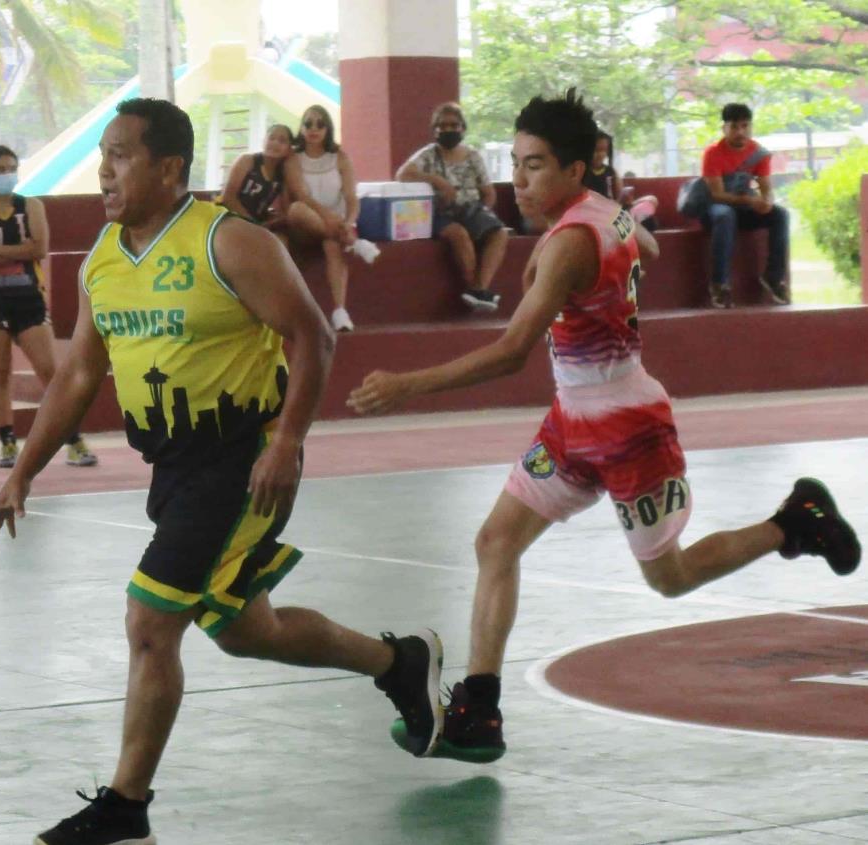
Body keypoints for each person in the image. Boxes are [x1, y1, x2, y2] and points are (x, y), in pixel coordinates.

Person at [0, 97, 444, 845]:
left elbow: (311, 335)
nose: (104, 169)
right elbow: (75, 376)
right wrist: (22, 470)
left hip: (241, 461)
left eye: (121, 154)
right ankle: (398, 662)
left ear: (168, 168)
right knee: (243, 628)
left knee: (151, 619)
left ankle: (125, 810)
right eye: (103, 153)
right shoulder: (101, 259)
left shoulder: (229, 242)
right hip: (173, 470)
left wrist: (287, 440)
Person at [348, 89, 860, 765]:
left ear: (571, 171)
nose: (519, 181)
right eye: (517, 163)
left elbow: (507, 355)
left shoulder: (567, 245)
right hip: (571, 423)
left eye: (533, 166)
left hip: (627, 430)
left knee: (669, 578)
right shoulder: (602, 214)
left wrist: (403, 385)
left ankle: (792, 520)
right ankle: (479, 708)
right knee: (495, 541)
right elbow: (639, 243)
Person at [0, 144, 97, 470]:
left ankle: (72, 439)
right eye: (0, 169)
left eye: (12, 168)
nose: (7, 175)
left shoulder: (31, 207)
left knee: (49, 371)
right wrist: (15, 250)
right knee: (0, 371)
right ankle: (8, 442)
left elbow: (39, 247)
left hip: (28, 299)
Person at [397, 102, 507, 312]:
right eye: (442, 125)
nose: (447, 130)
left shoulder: (473, 156)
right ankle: (476, 291)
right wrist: (437, 181)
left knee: (499, 233)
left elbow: (489, 193)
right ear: (434, 129)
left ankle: (479, 289)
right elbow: (402, 175)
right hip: (439, 213)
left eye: (453, 125)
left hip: (471, 209)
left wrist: (482, 215)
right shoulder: (428, 155)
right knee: (459, 234)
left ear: (462, 128)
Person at [286, 104, 369, 333]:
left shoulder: (340, 157)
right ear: (301, 128)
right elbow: (302, 196)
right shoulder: (294, 159)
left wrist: (349, 222)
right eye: (308, 123)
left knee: (332, 245)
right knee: (297, 209)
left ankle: (340, 312)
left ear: (328, 128)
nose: (314, 128)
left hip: (339, 226)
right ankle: (353, 243)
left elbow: (352, 197)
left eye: (320, 124)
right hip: (307, 224)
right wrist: (333, 221)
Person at [700, 103, 789, 309]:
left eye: (745, 126)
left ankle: (774, 278)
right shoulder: (713, 153)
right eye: (734, 127)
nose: (740, 132)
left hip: (743, 209)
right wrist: (750, 200)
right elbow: (717, 195)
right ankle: (719, 284)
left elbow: (767, 188)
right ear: (725, 128)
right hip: (715, 210)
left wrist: (767, 202)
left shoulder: (759, 153)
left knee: (780, 215)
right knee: (724, 215)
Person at [583, 130, 660, 262]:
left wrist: (626, 200)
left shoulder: (611, 171)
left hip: (615, 208)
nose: (600, 155)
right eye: (596, 150)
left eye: (604, 151)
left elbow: (619, 197)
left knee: (651, 200)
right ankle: (633, 221)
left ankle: (634, 219)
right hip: (596, 212)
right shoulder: (583, 172)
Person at [219, 123, 297, 240]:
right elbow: (228, 198)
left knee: (282, 240)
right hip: (228, 218)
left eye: (282, 141)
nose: (275, 143)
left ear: (289, 150)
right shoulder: (247, 160)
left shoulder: (282, 175)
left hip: (256, 225)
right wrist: (254, 224)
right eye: (271, 138)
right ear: (263, 141)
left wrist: (270, 221)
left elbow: (285, 213)